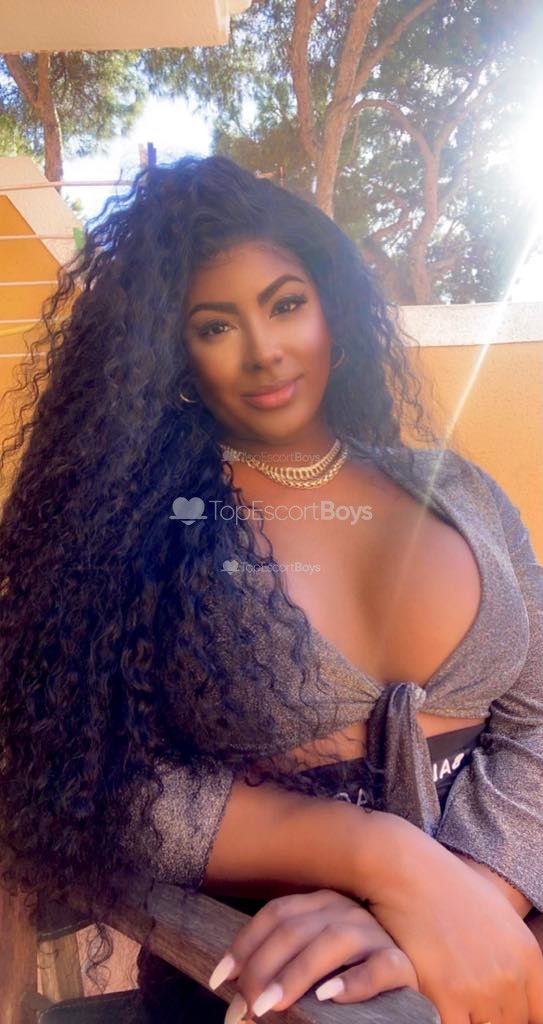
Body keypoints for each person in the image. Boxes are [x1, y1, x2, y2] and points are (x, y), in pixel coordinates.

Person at [0, 154, 542, 1024]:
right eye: (216, 326)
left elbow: (536, 716)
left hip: (503, 941)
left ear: (332, 309)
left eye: (285, 305)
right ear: (175, 356)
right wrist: (379, 855)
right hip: (263, 983)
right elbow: (87, 775)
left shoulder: (462, 492)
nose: (264, 351)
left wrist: (471, 894)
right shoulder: (141, 522)